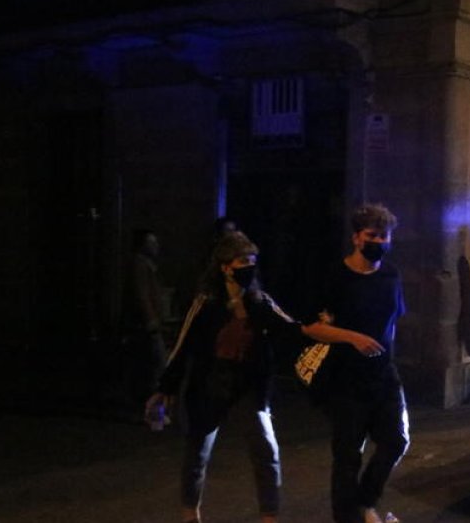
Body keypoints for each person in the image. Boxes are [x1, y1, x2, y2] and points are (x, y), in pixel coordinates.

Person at [147, 232, 310, 523]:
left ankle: (269, 518)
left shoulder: (259, 301)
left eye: (252, 261)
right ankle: (190, 515)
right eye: (242, 261)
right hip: (211, 383)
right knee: (198, 453)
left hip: (248, 385)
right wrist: (165, 387)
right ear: (225, 266)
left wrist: (323, 332)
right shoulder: (206, 303)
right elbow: (184, 346)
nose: (248, 267)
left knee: (266, 449)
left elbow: (291, 328)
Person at [302, 204, 408, 523]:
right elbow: (310, 326)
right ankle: (348, 517)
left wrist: (389, 358)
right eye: (372, 235)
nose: (379, 241)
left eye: (384, 236)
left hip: (383, 374)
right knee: (348, 456)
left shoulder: (391, 275)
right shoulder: (336, 276)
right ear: (356, 238)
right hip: (346, 378)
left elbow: (394, 320)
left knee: (395, 441)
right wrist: (352, 337)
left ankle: (364, 503)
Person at [126, 228, 167, 406]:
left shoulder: (146, 264)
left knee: (151, 362)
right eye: (151, 242)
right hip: (146, 325)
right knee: (155, 361)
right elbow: (142, 294)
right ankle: (148, 401)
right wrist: (151, 320)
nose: (156, 246)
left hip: (148, 323)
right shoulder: (140, 265)